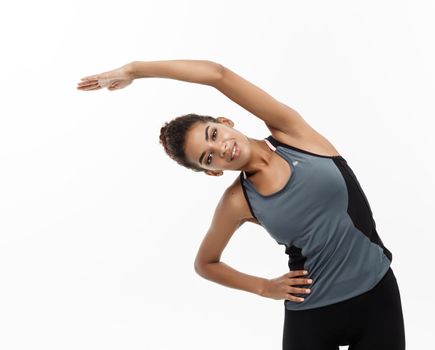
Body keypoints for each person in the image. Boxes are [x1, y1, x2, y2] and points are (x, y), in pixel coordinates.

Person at [77, 59, 405, 350]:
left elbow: (216, 74)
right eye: (208, 157)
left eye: (213, 134)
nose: (220, 148)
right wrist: (263, 287)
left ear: (225, 122)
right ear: (213, 170)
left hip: (377, 294)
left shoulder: (292, 133)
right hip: (311, 312)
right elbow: (206, 263)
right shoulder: (238, 201)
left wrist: (135, 70)